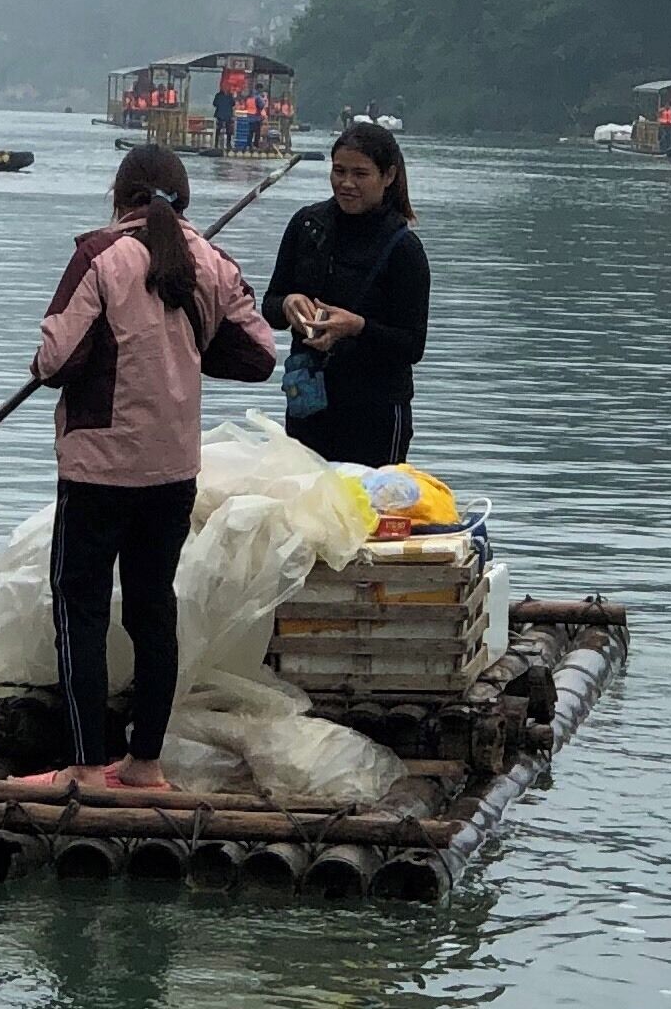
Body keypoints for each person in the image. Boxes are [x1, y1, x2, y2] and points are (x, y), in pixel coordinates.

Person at [31, 144, 274, 790]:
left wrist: (51, 364)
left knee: (78, 606)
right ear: (182, 198)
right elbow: (258, 353)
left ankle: (83, 765)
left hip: (98, 469)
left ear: (120, 197)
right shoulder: (212, 263)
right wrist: (188, 346)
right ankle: (145, 761)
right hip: (172, 470)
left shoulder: (99, 256)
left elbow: (56, 358)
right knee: (151, 608)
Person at [263, 119, 431, 466]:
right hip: (309, 401)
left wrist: (356, 326)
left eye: (360, 174)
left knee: (368, 513)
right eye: (338, 171)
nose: (346, 183)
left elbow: (412, 345)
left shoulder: (404, 249)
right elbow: (270, 306)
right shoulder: (307, 227)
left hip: (375, 410)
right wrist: (289, 304)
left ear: (388, 176)